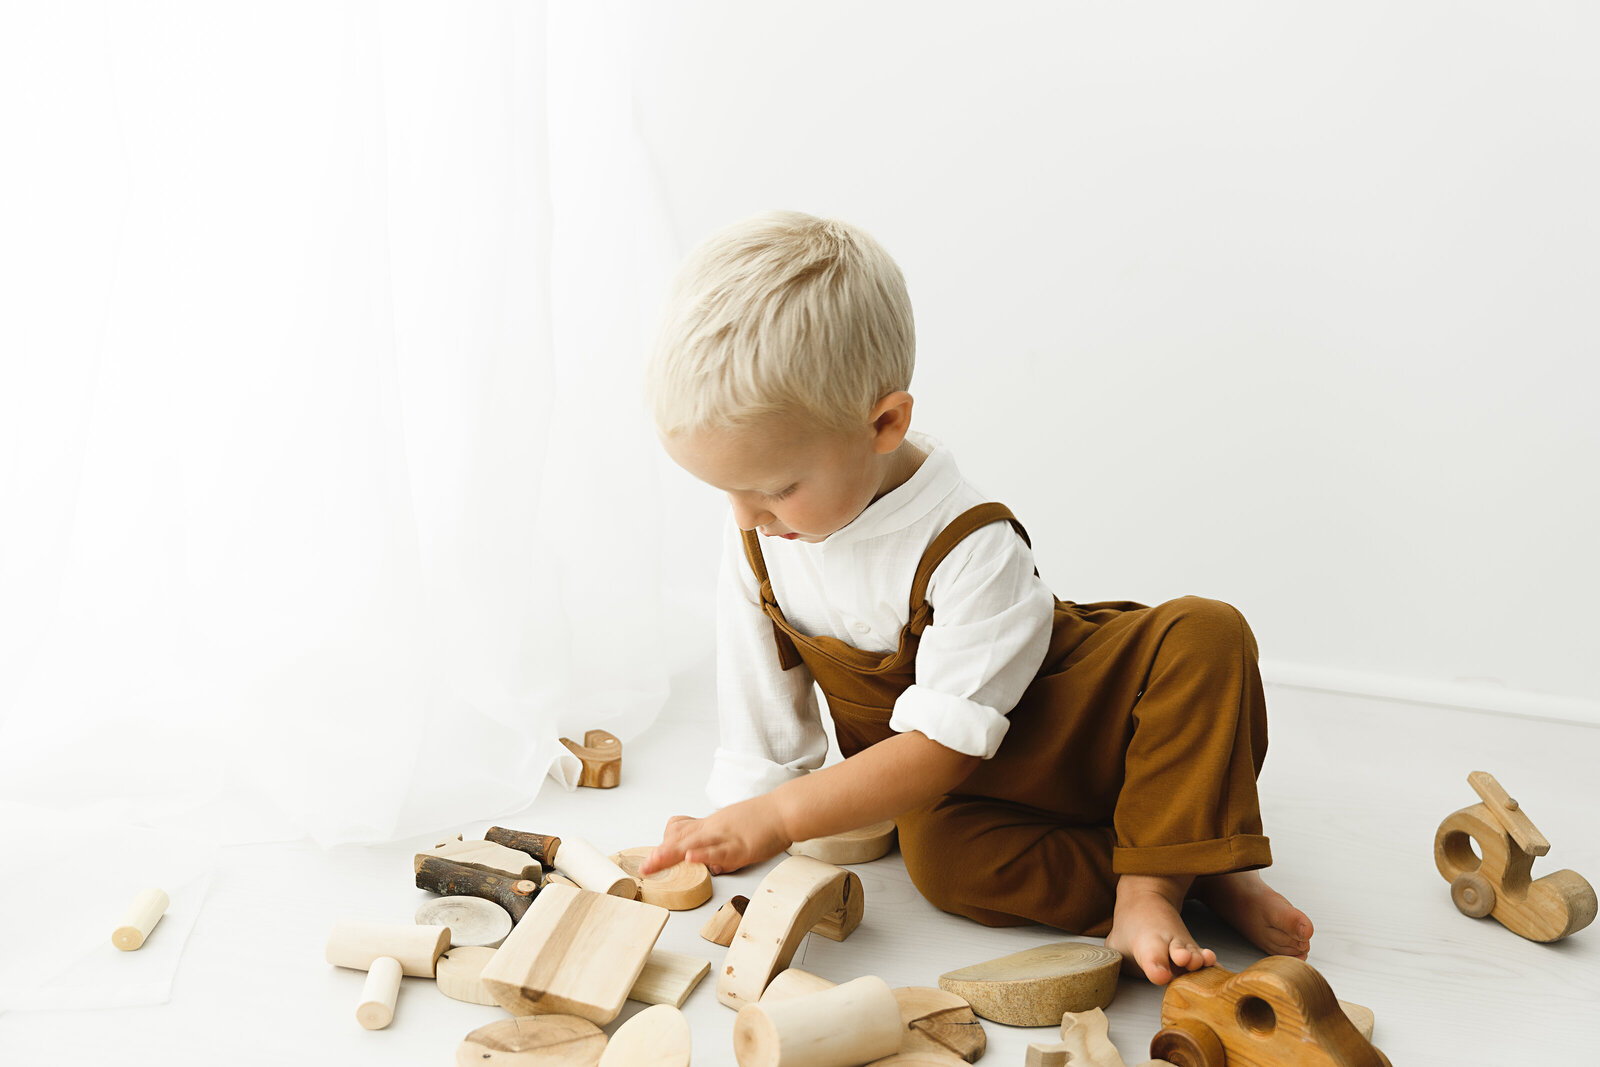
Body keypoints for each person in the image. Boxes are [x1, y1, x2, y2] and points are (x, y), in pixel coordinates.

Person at [638, 210, 1313, 984]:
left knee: (1205, 633)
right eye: (725, 490)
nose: (745, 516)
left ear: (885, 422)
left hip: (1070, 730)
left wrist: (780, 818)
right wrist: (740, 810)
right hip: (965, 794)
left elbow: (943, 746)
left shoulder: (967, 543)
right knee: (944, 867)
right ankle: (1188, 855)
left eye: (777, 488)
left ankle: (1154, 882)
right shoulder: (760, 533)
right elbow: (764, 711)